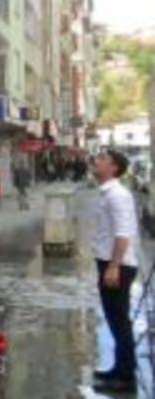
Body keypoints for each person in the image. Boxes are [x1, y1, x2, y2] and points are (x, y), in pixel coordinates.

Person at [90, 150, 139, 393]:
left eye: (102, 159)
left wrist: (113, 266)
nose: (96, 161)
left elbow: (123, 234)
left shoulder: (117, 195)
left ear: (114, 168)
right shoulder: (107, 193)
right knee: (115, 320)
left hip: (117, 265)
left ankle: (126, 377)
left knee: (119, 322)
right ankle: (118, 369)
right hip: (110, 263)